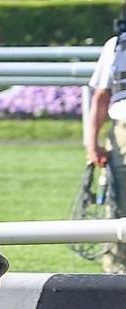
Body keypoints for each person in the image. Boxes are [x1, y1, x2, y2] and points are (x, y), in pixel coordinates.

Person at [85, 16, 126, 273]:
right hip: (122, 132)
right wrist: (92, 144)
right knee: (119, 204)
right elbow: (101, 97)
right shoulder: (116, 46)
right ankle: (116, 273)